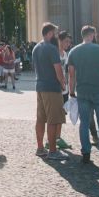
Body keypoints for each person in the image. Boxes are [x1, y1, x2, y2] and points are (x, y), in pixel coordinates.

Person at [67, 25, 99, 165]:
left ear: (82, 35)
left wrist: (71, 91)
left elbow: (71, 75)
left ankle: (86, 154)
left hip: (82, 92)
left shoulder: (73, 51)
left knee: (84, 124)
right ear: (92, 35)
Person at [33, 23, 68, 160]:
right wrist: (63, 83)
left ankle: (40, 148)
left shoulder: (36, 48)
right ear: (49, 33)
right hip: (52, 88)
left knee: (40, 119)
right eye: (55, 33)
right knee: (53, 120)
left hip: (40, 86)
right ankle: (53, 151)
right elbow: (58, 69)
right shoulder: (52, 48)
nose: (57, 36)